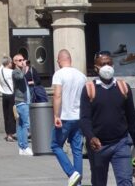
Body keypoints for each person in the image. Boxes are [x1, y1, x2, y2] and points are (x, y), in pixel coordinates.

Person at [79, 50, 135, 186]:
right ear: (96, 67)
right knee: (99, 182)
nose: (107, 67)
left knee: (126, 181)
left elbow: (132, 119)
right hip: (98, 147)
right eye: (103, 64)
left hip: (121, 144)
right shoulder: (89, 89)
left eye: (109, 63)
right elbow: (84, 119)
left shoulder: (123, 88)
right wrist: (91, 137)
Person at [51, 49, 87, 186]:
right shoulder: (81, 76)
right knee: (77, 150)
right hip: (78, 117)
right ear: (70, 59)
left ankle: (72, 173)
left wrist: (56, 115)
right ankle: (78, 183)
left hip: (64, 117)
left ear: (59, 60)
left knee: (55, 145)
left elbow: (57, 95)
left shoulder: (59, 74)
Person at [11, 53, 33, 155]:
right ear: (14, 62)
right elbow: (20, 77)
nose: (22, 61)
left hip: (24, 101)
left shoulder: (19, 71)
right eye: (19, 60)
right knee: (25, 125)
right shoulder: (15, 72)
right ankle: (25, 146)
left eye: (23, 59)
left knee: (20, 125)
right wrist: (24, 67)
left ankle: (21, 147)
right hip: (21, 102)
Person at [0, 55, 16, 142]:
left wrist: (5, 57)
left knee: (6, 115)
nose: (12, 63)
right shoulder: (11, 72)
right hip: (11, 95)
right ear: (8, 63)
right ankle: (11, 135)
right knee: (11, 115)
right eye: (11, 62)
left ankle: (8, 133)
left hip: (4, 94)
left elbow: (1, 65)